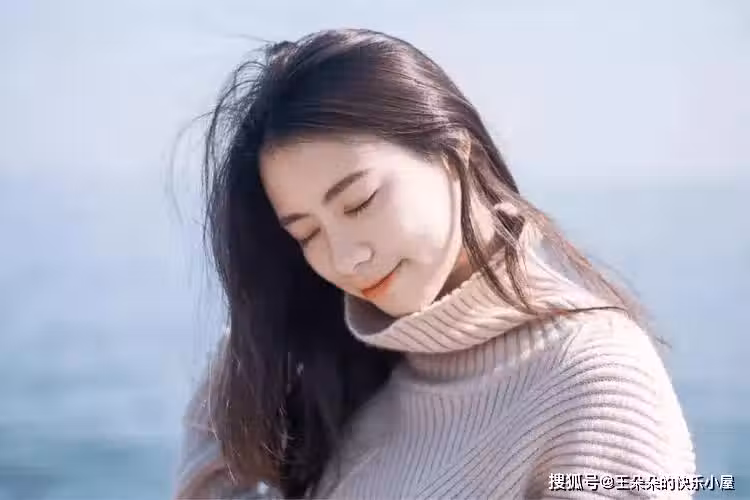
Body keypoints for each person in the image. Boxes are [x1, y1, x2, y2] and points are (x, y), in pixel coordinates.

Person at [174, 28, 696, 499]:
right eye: (306, 233)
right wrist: (251, 344)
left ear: (455, 153)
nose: (346, 258)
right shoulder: (344, 363)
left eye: (360, 203)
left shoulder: (597, 381)